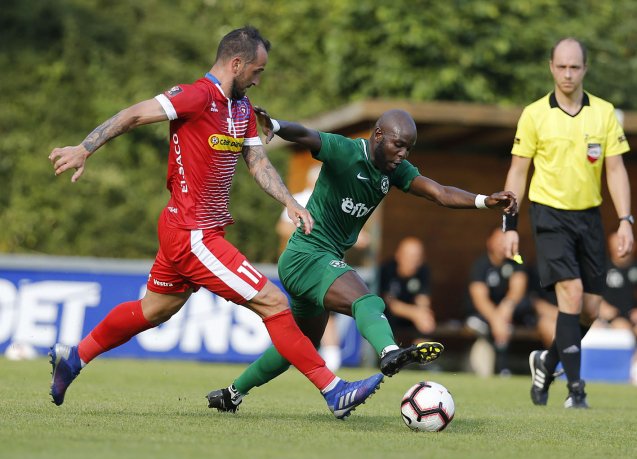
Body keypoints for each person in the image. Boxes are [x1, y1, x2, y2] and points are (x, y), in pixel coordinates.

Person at [47, 26, 385, 420]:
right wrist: (84, 148)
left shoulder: (242, 109)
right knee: (273, 302)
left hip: (193, 231)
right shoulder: (194, 95)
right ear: (236, 63)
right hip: (193, 234)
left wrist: (290, 201)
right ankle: (333, 390)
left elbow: (257, 162)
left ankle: (75, 356)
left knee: (156, 308)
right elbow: (133, 114)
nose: (260, 77)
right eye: (257, 70)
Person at [206, 106, 518, 413]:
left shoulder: (393, 171)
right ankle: (390, 351)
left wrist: (484, 201)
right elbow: (308, 135)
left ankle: (232, 393)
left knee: (297, 345)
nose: (403, 154)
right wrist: (275, 123)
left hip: (320, 259)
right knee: (367, 300)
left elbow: (439, 192)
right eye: (398, 145)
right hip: (306, 255)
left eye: (409, 148)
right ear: (378, 135)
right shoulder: (345, 150)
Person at [502, 37, 633, 408]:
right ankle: (576, 392)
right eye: (561, 66)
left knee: (591, 309)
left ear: (585, 69)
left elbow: (616, 169)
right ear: (551, 67)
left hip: (589, 217)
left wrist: (625, 220)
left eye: (575, 67)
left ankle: (547, 361)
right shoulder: (534, 114)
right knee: (571, 293)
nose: (568, 74)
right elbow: (517, 172)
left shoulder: (604, 113)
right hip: (549, 214)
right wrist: (509, 226)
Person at [276, 164, 343, 371]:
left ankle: (330, 362)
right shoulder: (301, 200)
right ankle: (307, 358)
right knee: (302, 314)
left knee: (324, 312)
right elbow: (282, 227)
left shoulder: (332, 202)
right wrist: (307, 236)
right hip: (300, 265)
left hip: (323, 265)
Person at [465, 227, 532, 376]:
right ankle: (500, 368)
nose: (503, 244)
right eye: (499, 240)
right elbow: (480, 299)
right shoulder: (480, 265)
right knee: (496, 325)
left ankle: (502, 368)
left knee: (507, 321)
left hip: (509, 314)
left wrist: (506, 307)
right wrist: (496, 319)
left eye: (505, 240)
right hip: (487, 314)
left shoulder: (517, 260)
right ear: (490, 242)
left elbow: (518, 289)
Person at [379, 236, 436, 347]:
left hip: (411, 317)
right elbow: (390, 304)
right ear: (398, 255)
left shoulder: (423, 271)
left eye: (417, 256)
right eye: (409, 256)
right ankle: (390, 355)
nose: (413, 260)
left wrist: (423, 314)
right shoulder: (387, 270)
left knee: (426, 319)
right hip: (388, 316)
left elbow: (423, 300)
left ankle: (421, 356)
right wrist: (415, 313)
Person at [598, 232, 637, 384]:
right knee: (622, 328)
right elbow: (589, 294)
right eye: (616, 244)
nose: (620, 248)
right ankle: (621, 370)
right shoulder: (602, 268)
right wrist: (601, 307)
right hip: (611, 318)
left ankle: (634, 368)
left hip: (631, 316)